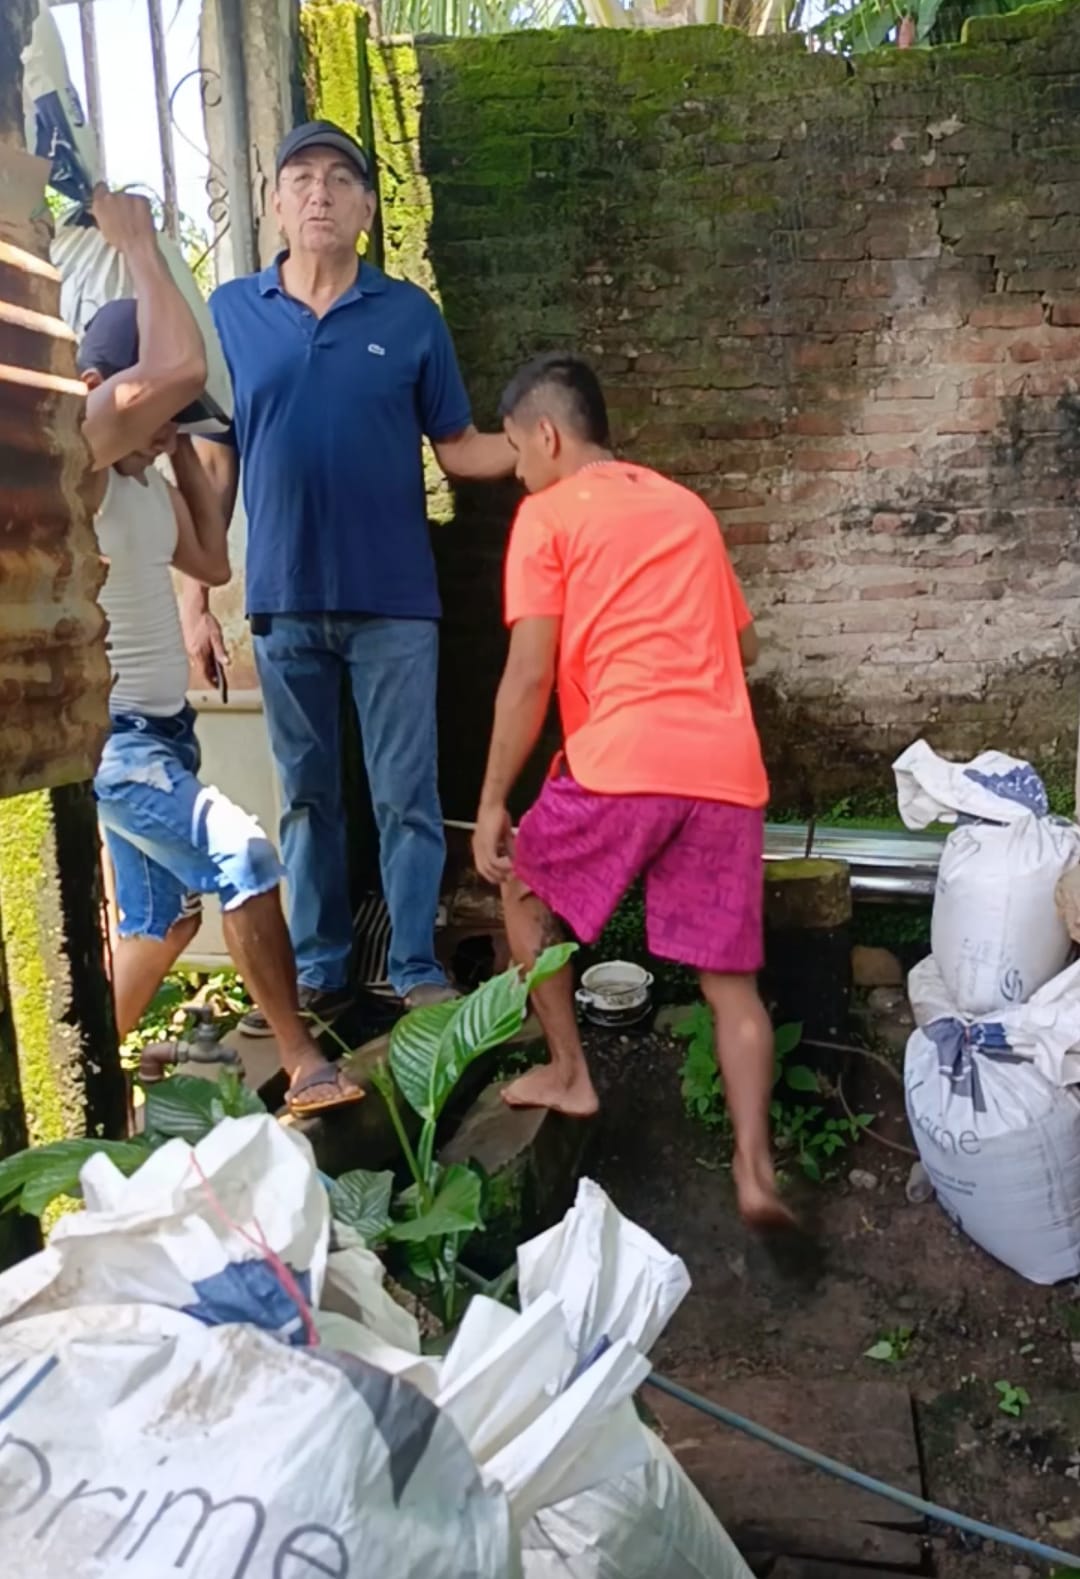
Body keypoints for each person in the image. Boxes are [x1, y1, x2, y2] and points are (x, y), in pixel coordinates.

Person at [184, 119, 515, 1033]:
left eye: (338, 178)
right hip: (283, 599)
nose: (319, 193)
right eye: (301, 178)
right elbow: (213, 464)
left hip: (395, 601)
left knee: (407, 794)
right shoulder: (231, 314)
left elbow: (456, 446)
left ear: (367, 207)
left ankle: (413, 966)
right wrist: (193, 600)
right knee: (307, 796)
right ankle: (321, 966)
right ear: (274, 204)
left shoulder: (409, 316)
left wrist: (546, 447)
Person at [471, 352, 791, 1230]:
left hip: (623, 758)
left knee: (521, 883)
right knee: (732, 986)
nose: (518, 472)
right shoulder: (687, 508)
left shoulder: (546, 516)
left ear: (547, 434)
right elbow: (746, 647)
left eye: (516, 451)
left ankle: (570, 1073)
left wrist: (494, 798)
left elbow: (528, 674)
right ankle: (755, 1166)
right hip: (726, 771)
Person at [80, 185, 361, 1117]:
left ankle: (85, 1097)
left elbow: (208, 558)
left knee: (163, 923)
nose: (168, 424)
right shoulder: (82, 456)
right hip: (118, 744)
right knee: (244, 852)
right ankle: (304, 1061)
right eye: (159, 411)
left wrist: (182, 446)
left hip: (164, 737)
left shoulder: (140, 481)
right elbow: (178, 363)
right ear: (104, 387)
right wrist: (139, 246)